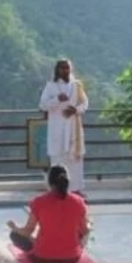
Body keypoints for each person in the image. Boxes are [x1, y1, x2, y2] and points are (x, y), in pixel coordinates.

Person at [7, 165, 90, 263]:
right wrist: (89, 224)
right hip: (71, 258)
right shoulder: (79, 202)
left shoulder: (39, 202)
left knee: (14, 235)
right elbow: (85, 230)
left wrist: (14, 227)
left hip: (42, 258)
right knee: (84, 229)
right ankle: (72, 248)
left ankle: (40, 246)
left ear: (49, 182)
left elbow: (27, 231)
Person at [39, 59, 89, 195]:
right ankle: (56, 189)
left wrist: (76, 110)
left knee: (75, 160)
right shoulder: (50, 86)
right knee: (58, 159)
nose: (65, 70)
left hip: (74, 128)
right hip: (57, 130)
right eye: (62, 68)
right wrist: (56, 99)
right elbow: (43, 105)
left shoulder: (77, 86)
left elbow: (85, 104)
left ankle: (75, 190)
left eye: (67, 68)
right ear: (57, 70)